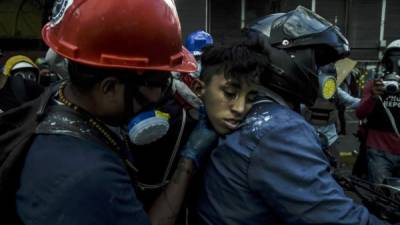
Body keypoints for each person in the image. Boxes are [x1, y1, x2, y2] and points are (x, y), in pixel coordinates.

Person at [15, 1, 215, 225]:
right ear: (109, 87)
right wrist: (186, 163)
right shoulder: (93, 178)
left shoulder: (58, 99)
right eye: (158, 81)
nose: (162, 94)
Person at [196, 6, 391, 225]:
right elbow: (337, 219)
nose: (323, 72)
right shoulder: (280, 129)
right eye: (317, 63)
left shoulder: (259, 110)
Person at [356, 39, 400, 184]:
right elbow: (360, 113)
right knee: (380, 196)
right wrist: (374, 97)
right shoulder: (375, 85)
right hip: (378, 152)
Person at [302, 63, 360, 168]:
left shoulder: (335, 90)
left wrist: (370, 101)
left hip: (329, 136)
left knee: (334, 165)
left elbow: (351, 101)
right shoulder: (305, 88)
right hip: (308, 134)